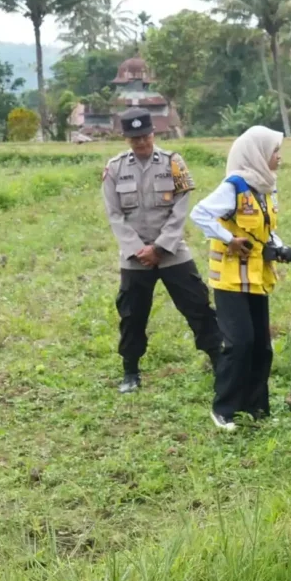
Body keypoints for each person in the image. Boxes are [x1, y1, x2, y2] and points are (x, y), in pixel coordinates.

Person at [103, 110, 219, 392]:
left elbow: (181, 207)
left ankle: (219, 360)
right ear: (127, 139)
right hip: (135, 256)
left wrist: (161, 246)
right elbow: (114, 214)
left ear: (153, 133)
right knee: (132, 314)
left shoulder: (174, 163)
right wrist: (138, 249)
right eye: (134, 138)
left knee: (198, 305)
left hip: (172, 250)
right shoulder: (115, 168)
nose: (141, 142)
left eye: (145, 136)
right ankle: (130, 371)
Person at [191, 125, 291, 429]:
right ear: (258, 154)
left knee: (261, 344)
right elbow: (200, 213)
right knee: (239, 343)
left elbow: (264, 228)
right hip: (230, 280)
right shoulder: (235, 186)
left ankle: (256, 407)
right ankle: (223, 409)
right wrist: (228, 239)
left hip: (255, 277)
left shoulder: (265, 188)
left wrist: (278, 247)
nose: (279, 157)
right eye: (275, 151)